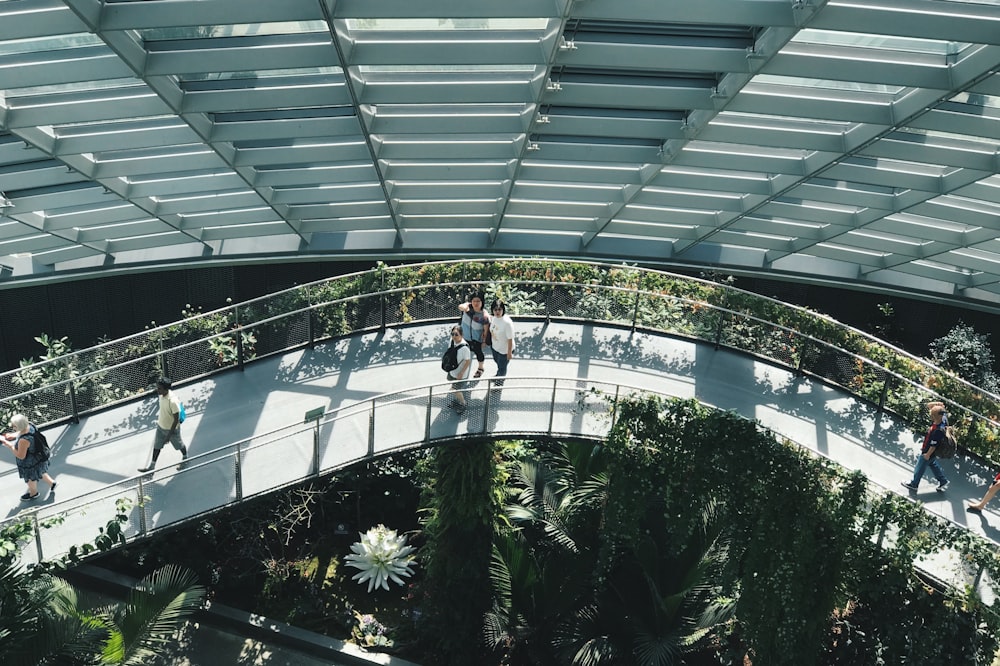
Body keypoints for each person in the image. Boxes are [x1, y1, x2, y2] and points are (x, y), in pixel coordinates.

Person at [3, 413, 57, 501]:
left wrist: (10, 446)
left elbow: (21, 456)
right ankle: (52, 483)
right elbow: (23, 431)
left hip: (29, 462)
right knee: (40, 471)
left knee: (30, 479)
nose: (13, 428)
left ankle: (33, 493)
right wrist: (13, 435)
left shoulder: (24, 440)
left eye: (14, 426)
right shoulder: (31, 425)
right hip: (38, 458)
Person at [139, 377, 188, 473]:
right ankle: (152, 466)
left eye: (159, 388)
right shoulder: (161, 396)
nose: (157, 390)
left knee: (179, 445)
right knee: (157, 446)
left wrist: (169, 435)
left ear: (166, 389)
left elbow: (176, 419)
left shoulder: (173, 401)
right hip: (161, 427)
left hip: (172, 430)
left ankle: (185, 457)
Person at [901, 401, 949, 492]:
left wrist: (927, 454)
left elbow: (933, 445)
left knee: (920, 466)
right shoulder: (943, 418)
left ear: (936, 416)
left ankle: (914, 484)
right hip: (932, 453)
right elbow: (931, 406)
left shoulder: (938, 430)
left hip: (928, 450)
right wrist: (938, 404)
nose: (931, 417)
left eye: (932, 416)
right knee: (932, 463)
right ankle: (943, 480)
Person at [458, 291, 489, 379]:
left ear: (482, 302)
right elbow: (460, 306)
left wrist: (484, 341)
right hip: (465, 337)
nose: (475, 303)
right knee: (464, 352)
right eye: (474, 301)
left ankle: (480, 368)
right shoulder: (468, 307)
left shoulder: (484, 316)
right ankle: (463, 367)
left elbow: (485, 330)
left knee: (479, 353)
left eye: (478, 301)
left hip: (476, 339)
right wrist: (467, 308)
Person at [488, 299, 515, 384]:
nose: (497, 312)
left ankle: (499, 382)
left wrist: (509, 352)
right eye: (495, 310)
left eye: (499, 309)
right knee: (499, 364)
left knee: (502, 367)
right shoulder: (494, 318)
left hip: (504, 351)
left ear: (503, 310)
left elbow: (510, 338)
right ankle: (498, 376)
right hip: (495, 347)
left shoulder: (507, 323)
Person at [445, 326, 472, 412]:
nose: (454, 336)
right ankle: (457, 400)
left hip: (460, 374)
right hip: (453, 370)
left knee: (455, 390)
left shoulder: (465, 348)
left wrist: (461, 373)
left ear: (461, 335)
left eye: (456, 334)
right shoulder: (452, 342)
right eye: (452, 334)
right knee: (454, 387)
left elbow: (468, 361)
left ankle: (463, 403)